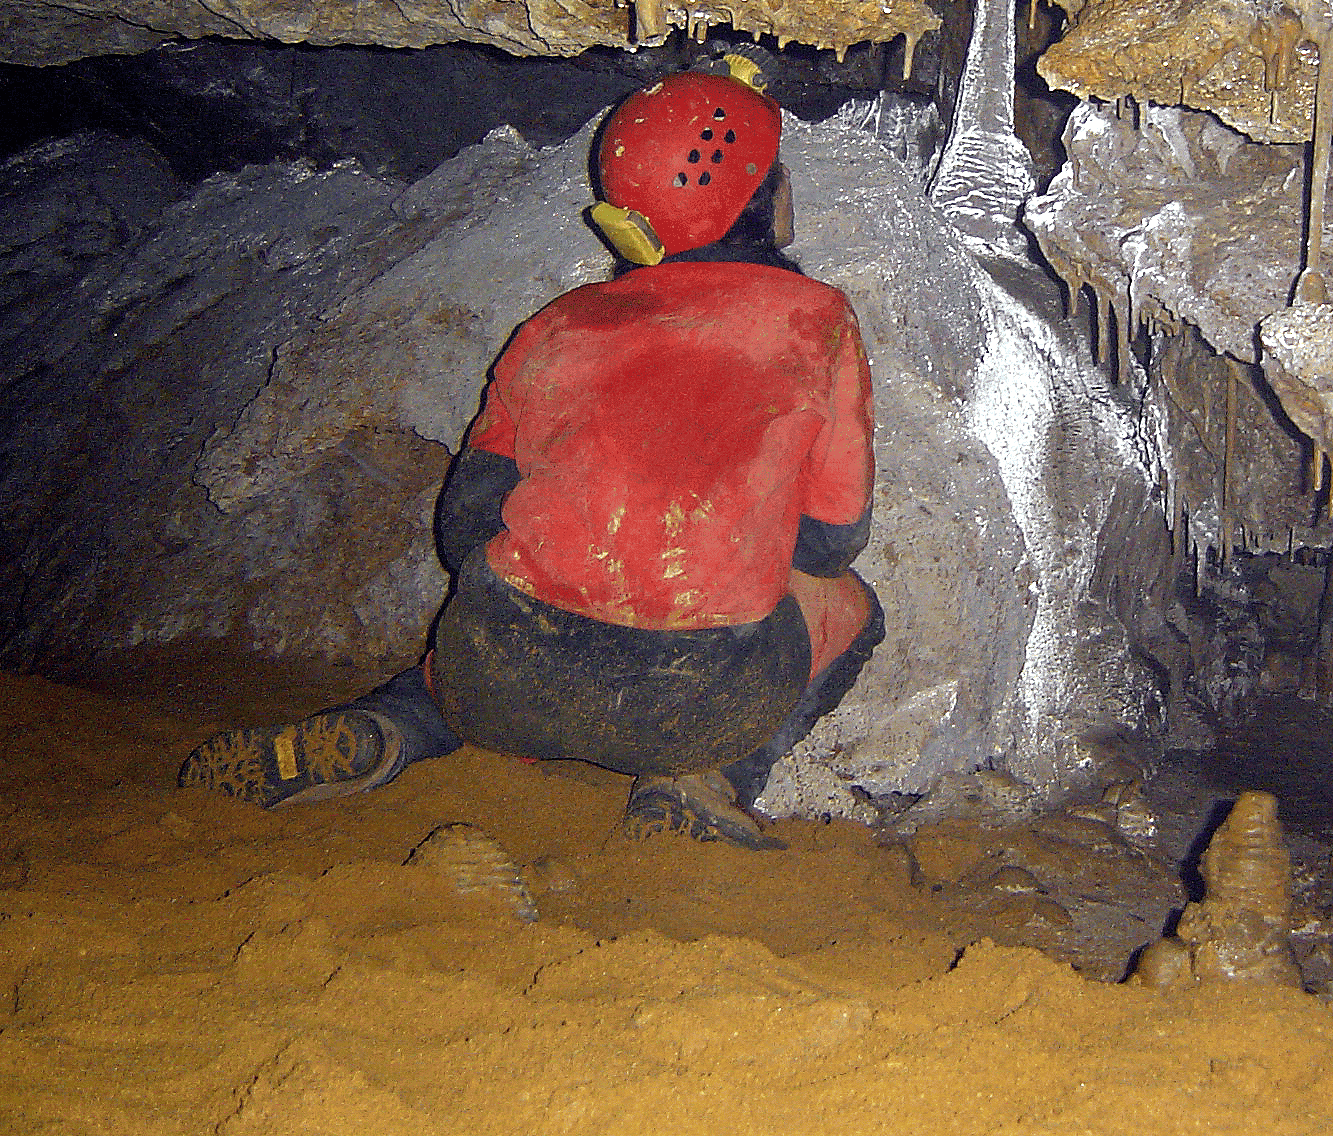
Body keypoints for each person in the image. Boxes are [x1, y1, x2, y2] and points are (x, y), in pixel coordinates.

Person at [178, 57, 881, 848]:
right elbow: (832, 541)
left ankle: (387, 728)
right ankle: (706, 782)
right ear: (755, 194)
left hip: (501, 679)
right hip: (694, 700)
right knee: (851, 605)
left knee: (486, 635)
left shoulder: (559, 323)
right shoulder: (816, 320)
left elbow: (464, 528)